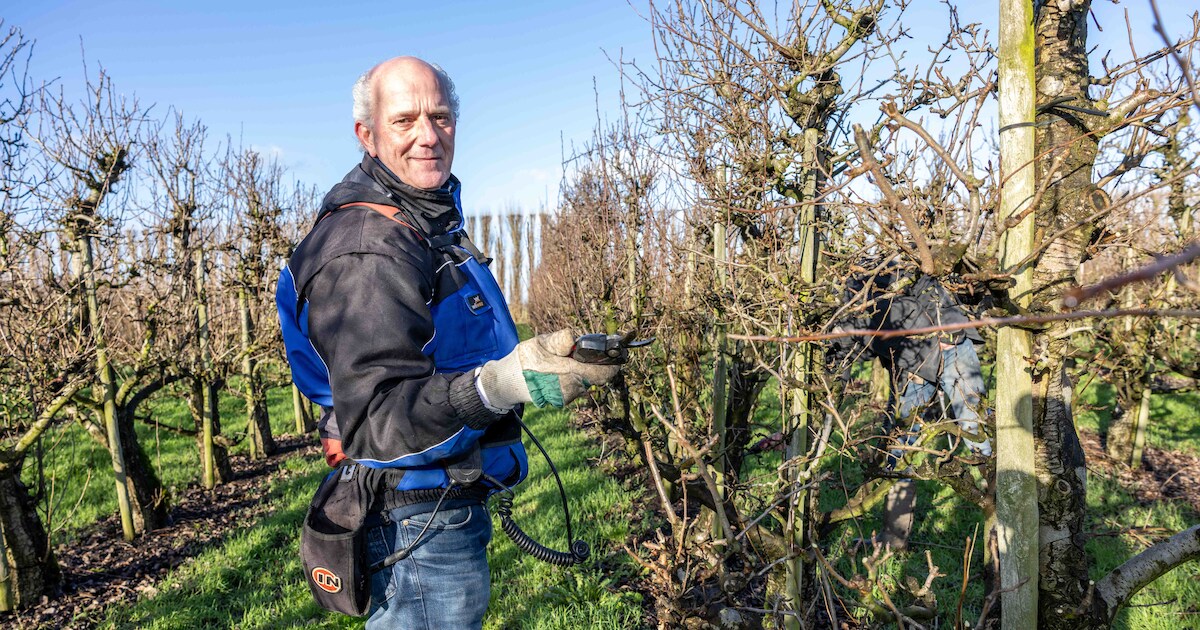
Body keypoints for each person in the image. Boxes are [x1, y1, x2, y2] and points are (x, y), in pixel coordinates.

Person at [279, 57, 619, 629]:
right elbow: (380, 423)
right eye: (405, 119)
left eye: (440, 116)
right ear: (367, 134)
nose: (428, 135)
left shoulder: (421, 222)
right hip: (417, 522)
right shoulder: (369, 249)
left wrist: (527, 364)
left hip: (441, 505)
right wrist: (502, 384)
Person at [828, 262, 992, 549]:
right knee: (899, 446)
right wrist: (830, 383)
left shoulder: (882, 270)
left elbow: (927, 281)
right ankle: (894, 538)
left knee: (976, 433)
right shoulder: (850, 296)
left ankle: (1005, 525)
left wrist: (945, 334)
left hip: (948, 348)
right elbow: (847, 347)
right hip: (910, 368)